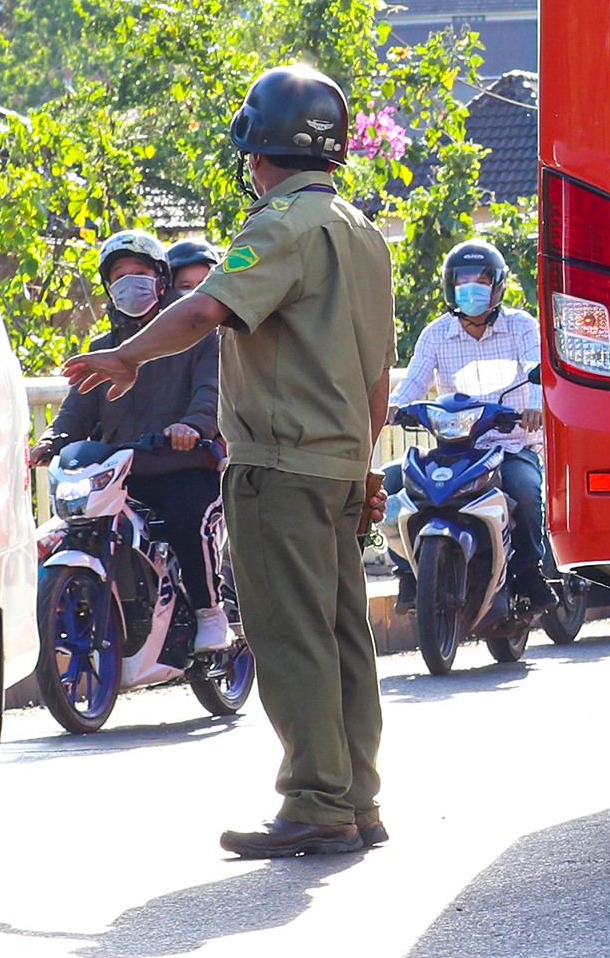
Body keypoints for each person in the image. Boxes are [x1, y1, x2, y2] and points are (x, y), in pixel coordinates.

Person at [63, 66, 394, 860]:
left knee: (289, 635)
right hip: (342, 465)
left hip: (279, 465)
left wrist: (129, 356)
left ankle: (316, 801)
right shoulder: (362, 233)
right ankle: (357, 799)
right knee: (344, 631)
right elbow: (379, 372)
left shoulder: (278, 228)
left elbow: (208, 307)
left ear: (257, 148)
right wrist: (367, 465)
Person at [33, 230, 229, 672]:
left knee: (185, 518)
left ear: (161, 281)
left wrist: (192, 427)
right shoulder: (103, 351)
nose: (130, 284)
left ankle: (209, 613)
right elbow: (76, 412)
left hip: (185, 466)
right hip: (122, 474)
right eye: (119, 276)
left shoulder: (198, 339)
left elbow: (211, 392)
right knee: (79, 527)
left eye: (140, 273)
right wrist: (50, 442)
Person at [392, 239, 554, 611]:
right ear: (450, 287)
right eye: (462, 281)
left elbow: (537, 372)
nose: (471, 289)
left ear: (498, 286)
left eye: (481, 280)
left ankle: (530, 570)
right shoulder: (435, 334)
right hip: (455, 449)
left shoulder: (521, 327)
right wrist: (392, 408)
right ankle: (407, 574)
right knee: (395, 486)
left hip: (511, 445)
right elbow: (414, 381)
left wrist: (533, 407)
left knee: (526, 491)